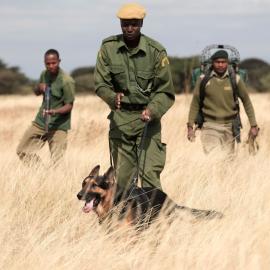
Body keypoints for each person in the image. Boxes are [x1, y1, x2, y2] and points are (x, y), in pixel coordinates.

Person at [94, 3, 175, 191]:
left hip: (148, 121)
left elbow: (165, 91)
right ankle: (126, 219)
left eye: (134, 24)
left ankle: (154, 219)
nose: (129, 28)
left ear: (141, 23)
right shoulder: (108, 48)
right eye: (125, 24)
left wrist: (153, 110)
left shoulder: (156, 51)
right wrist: (112, 97)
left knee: (149, 176)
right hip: (121, 120)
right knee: (122, 181)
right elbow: (100, 84)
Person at [187, 49, 259, 154]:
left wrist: (253, 125)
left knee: (227, 162)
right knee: (213, 158)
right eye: (217, 62)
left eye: (223, 62)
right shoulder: (203, 80)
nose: (220, 65)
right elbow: (195, 103)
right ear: (212, 63)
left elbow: (247, 102)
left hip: (230, 127)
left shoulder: (236, 79)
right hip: (209, 126)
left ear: (227, 62)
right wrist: (190, 127)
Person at [17, 49, 75, 166]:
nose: (51, 66)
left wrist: (54, 112)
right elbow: (36, 92)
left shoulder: (67, 81)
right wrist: (39, 87)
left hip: (58, 125)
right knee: (22, 151)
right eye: (48, 63)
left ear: (59, 61)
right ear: (44, 63)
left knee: (57, 162)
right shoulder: (44, 74)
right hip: (41, 122)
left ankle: (53, 179)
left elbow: (69, 106)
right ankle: (41, 172)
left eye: (54, 63)